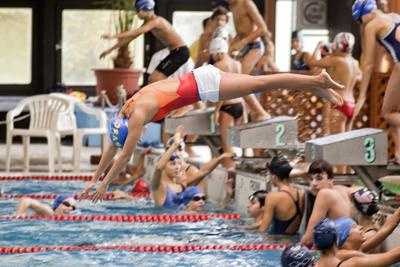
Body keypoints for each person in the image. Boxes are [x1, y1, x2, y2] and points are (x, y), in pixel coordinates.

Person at [80, 63, 344, 203]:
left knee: (264, 82)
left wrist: (104, 185)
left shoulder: (136, 116)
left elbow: (124, 155)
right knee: (262, 83)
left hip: (205, 86)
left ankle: (317, 81)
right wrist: (93, 178)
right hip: (200, 77)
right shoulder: (127, 110)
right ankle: (316, 86)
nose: (141, 132)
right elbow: (114, 147)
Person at [352, 0, 400, 164]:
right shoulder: (394, 16)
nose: (360, 25)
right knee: (394, 111)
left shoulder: (371, 25)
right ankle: (399, 154)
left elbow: (369, 63)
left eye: (359, 20)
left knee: (387, 114)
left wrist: (362, 96)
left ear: (364, 14)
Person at [99, 0, 189, 83]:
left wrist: (113, 36)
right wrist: (109, 50)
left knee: (156, 79)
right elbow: (130, 38)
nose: (136, 14)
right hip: (175, 52)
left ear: (144, 10)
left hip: (180, 52)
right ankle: (172, 97)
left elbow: (135, 32)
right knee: (152, 79)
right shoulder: (148, 22)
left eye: (137, 11)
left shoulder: (157, 21)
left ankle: (179, 95)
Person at [150, 125, 234, 209]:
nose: (177, 167)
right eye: (173, 164)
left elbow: (203, 172)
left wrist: (221, 157)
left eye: (179, 163)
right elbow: (158, 168)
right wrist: (175, 145)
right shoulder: (158, 186)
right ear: (164, 167)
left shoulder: (183, 185)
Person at [306, 33, 362, 135]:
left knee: (334, 144)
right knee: (346, 142)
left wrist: (318, 45)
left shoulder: (336, 61)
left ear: (337, 46)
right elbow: (360, 77)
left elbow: (310, 62)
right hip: (351, 104)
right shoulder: (355, 62)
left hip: (337, 103)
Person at [229, 0, 273, 122]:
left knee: (239, 81)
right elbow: (241, 31)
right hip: (242, 46)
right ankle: (246, 116)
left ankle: (262, 112)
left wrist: (243, 42)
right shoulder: (232, 5)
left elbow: (262, 28)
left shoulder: (247, 3)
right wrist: (232, 45)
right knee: (233, 82)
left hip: (254, 46)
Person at [211, 35, 247, 168]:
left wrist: (215, 111)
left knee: (227, 146)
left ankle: (230, 176)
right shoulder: (237, 64)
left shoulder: (218, 65)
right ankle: (235, 169)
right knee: (236, 142)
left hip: (227, 107)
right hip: (239, 105)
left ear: (217, 52)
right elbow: (241, 86)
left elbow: (222, 91)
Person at [301, 160, 353, 245]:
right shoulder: (341, 189)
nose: (313, 183)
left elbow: (308, 239)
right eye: (311, 179)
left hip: (339, 251)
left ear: (331, 179)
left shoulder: (324, 194)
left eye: (319, 178)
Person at [314, 218, 400, 267]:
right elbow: (394, 257)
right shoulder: (353, 262)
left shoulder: (315, 263)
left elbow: (386, 229)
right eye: (354, 227)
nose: (361, 227)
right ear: (340, 238)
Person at [259, 156, 305, 234]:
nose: (269, 178)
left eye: (269, 175)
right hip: (293, 241)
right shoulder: (300, 193)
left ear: (274, 177)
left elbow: (263, 230)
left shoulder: (272, 197)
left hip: (275, 242)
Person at [335, 207, 400, 254]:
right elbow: (393, 256)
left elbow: (387, 228)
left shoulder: (359, 249)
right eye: (354, 227)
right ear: (345, 238)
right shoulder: (350, 262)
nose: (360, 227)